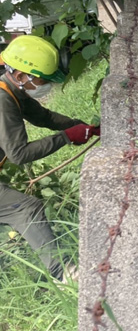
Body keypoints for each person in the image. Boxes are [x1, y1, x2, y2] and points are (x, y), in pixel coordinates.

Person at [0, 35, 99, 280]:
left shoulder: (13, 91)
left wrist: (81, 127)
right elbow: (19, 154)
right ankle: (66, 275)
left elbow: (44, 117)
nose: (45, 85)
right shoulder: (2, 100)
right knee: (25, 208)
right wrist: (66, 137)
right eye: (42, 79)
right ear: (21, 75)